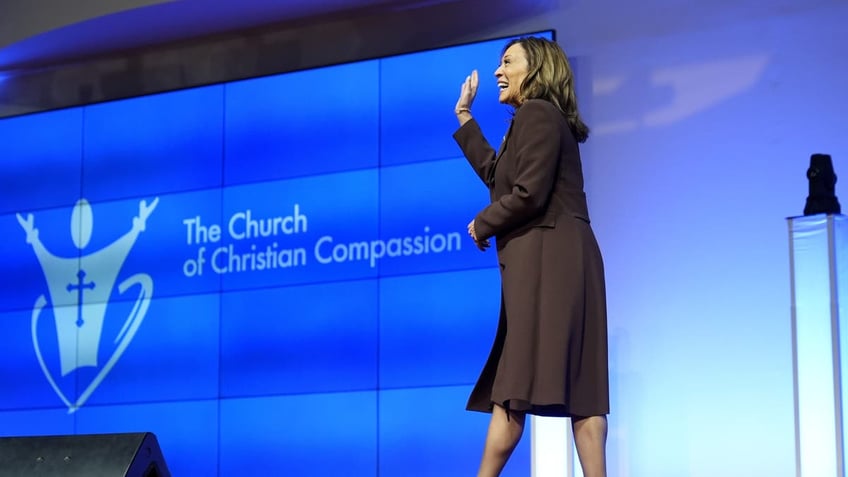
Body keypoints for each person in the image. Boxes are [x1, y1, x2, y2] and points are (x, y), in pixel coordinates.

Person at [452, 36, 609, 477]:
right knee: (578, 388)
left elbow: (528, 193)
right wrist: (464, 117)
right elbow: (498, 174)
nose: (499, 71)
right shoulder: (532, 120)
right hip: (558, 259)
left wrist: (482, 223)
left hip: (551, 261)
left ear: (535, 69)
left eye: (507, 62)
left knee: (514, 385)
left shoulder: (538, 113)